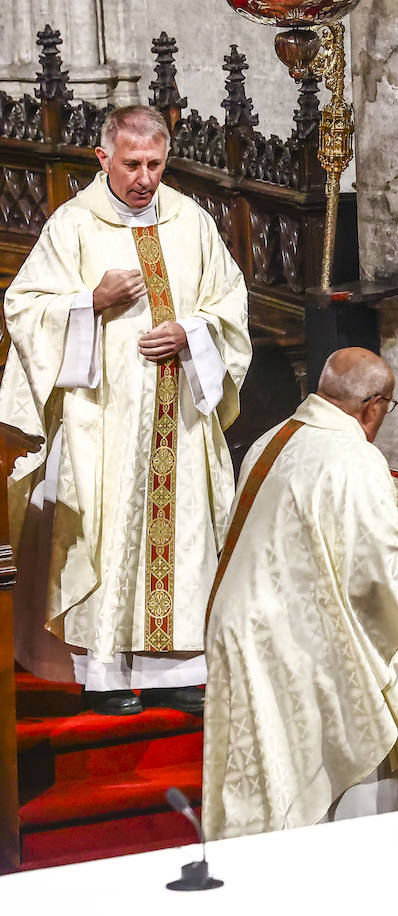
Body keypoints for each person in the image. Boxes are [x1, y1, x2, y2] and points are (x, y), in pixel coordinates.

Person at [0, 105, 251, 715]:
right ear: (102, 158)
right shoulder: (73, 226)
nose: (144, 178)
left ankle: (182, 669)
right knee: (108, 536)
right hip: (102, 420)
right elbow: (26, 308)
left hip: (180, 420)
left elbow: (230, 305)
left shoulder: (190, 221)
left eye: (155, 164)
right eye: (132, 163)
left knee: (184, 537)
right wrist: (91, 301)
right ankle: (107, 672)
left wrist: (192, 333)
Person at [201, 348, 398, 840]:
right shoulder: (354, 456)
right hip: (298, 639)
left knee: (275, 765)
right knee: (352, 741)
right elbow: (376, 572)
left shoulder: (269, 440)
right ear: (374, 405)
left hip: (241, 627)